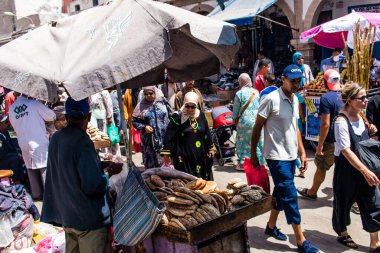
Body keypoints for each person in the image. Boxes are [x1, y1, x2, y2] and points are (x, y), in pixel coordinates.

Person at [251, 64, 320, 253]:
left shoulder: (296, 99)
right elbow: (257, 128)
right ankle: (301, 241)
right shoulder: (271, 99)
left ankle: (270, 227)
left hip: (290, 155)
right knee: (290, 196)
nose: (296, 84)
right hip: (275, 156)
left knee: (281, 192)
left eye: (299, 81)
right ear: (283, 79)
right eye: (293, 81)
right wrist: (252, 154)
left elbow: (294, 127)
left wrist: (302, 152)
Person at [41, 97, 121, 253]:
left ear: (66, 117)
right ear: (89, 117)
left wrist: (99, 164)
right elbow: (93, 185)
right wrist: (109, 172)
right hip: (88, 220)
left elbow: (67, 167)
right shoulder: (83, 142)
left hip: (68, 216)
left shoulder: (56, 138)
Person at [332, 82, 380, 250]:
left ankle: (375, 243)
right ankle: (342, 233)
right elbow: (345, 150)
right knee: (343, 203)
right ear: (350, 101)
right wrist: (365, 171)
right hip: (347, 171)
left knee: (373, 203)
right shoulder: (340, 121)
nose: (366, 101)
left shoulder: (362, 116)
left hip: (365, 168)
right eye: (362, 98)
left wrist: (371, 130)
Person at [297, 69, 343, 199]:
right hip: (346, 140)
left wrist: (319, 145)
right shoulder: (346, 95)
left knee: (322, 167)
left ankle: (312, 192)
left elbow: (325, 124)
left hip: (331, 140)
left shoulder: (326, 98)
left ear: (324, 82)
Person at [8, 93, 56, 200]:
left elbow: (13, 124)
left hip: (23, 142)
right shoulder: (34, 104)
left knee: (31, 169)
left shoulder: (12, 108)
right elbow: (51, 116)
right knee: (44, 168)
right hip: (38, 142)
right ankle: (49, 198)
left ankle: (37, 196)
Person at [161, 92, 215, 180]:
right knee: (185, 182)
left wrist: (210, 148)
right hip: (183, 158)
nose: (190, 109)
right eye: (187, 106)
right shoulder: (177, 117)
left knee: (199, 181)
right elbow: (168, 136)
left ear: (196, 105)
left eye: (193, 106)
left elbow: (207, 133)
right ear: (184, 104)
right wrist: (166, 155)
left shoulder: (201, 116)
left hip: (199, 156)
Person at [132, 86, 169, 169]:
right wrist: (144, 127)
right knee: (150, 166)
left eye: (151, 93)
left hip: (163, 139)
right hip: (148, 141)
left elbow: (172, 114)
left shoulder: (162, 102)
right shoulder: (140, 105)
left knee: (163, 165)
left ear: (155, 92)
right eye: (146, 94)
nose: (148, 95)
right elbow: (134, 121)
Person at [232, 73, 263, 171]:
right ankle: (259, 162)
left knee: (242, 142)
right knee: (256, 141)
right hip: (257, 121)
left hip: (244, 122)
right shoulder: (256, 92)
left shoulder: (239, 93)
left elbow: (236, 110)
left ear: (240, 82)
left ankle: (242, 163)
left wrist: (234, 120)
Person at [0, 114, 26, 183]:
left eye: (8, 121)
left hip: (12, 155)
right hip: (3, 160)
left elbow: (16, 144)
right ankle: (18, 182)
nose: (8, 123)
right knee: (16, 160)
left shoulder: (8, 132)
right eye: (6, 122)